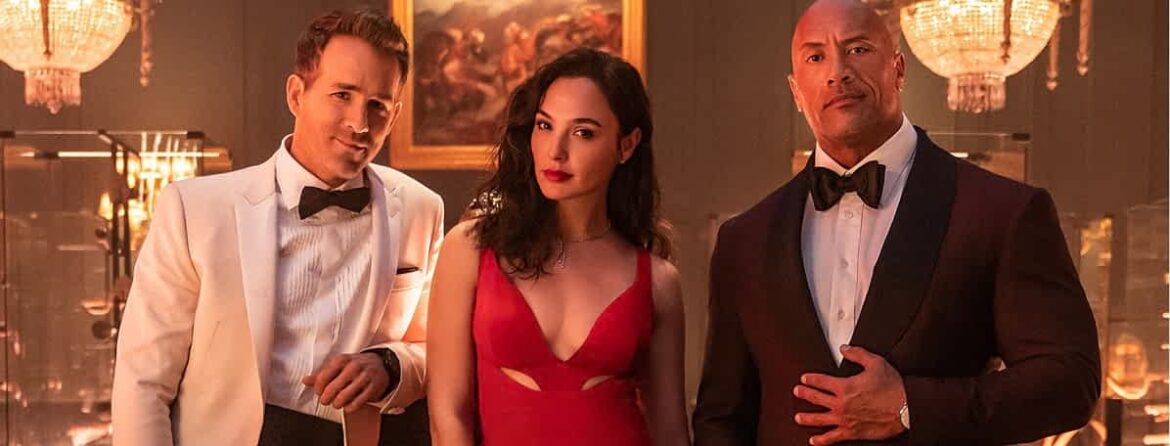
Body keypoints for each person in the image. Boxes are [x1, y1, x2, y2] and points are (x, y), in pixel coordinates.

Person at [692, 1, 1101, 444]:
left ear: (898, 69)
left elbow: (1069, 382)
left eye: (858, 49)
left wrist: (912, 407)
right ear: (796, 91)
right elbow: (720, 420)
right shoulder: (744, 240)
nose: (837, 73)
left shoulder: (1003, 212)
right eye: (816, 57)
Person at [112, 9, 443, 445]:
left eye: (377, 106)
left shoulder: (422, 209)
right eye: (342, 95)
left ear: (394, 116)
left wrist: (389, 366)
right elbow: (142, 382)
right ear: (296, 95)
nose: (360, 124)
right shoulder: (194, 211)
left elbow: (434, 353)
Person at [426, 47, 689, 446]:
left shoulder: (658, 280)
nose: (556, 151)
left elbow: (670, 432)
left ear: (626, 145)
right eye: (545, 126)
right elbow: (448, 415)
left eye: (583, 133)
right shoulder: (469, 249)